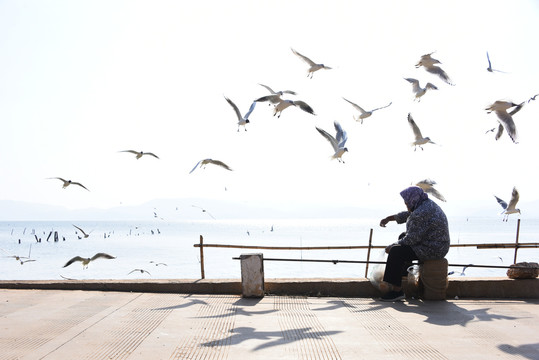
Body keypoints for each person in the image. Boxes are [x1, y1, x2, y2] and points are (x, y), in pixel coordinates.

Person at [378, 186, 450, 301]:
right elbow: (409, 214)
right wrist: (389, 218)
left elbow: (411, 239)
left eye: (406, 202)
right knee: (402, 238)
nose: (406, 205)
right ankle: (404, 278)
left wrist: (391, 246)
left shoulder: (421, 212)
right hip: (437, 244)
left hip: (433, 248)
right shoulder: (425, 204)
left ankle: (397, 291)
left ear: (413, 200)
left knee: (396, 251)